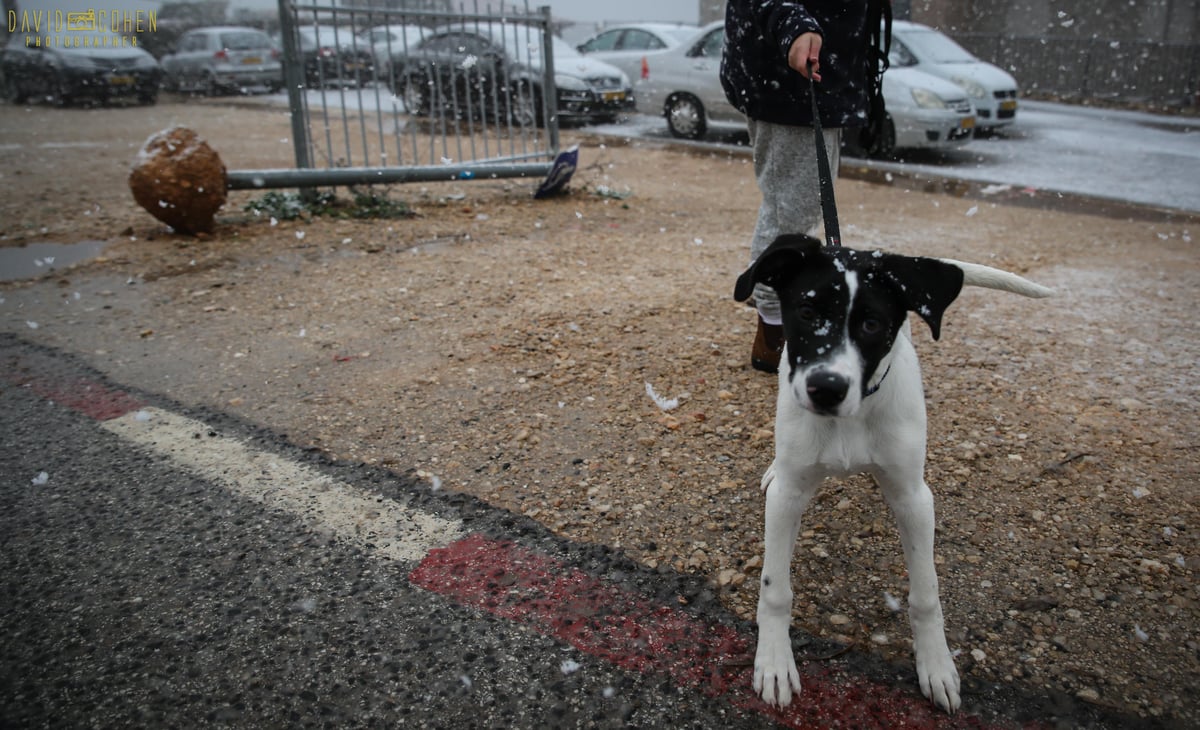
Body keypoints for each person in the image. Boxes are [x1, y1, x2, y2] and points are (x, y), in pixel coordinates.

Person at [721, 0, 889, 373]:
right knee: (791, 212)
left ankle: (782, 322)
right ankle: (774, 331)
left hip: (816, 74)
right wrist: (793, 24)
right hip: (788, 78)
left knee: (801, 206)